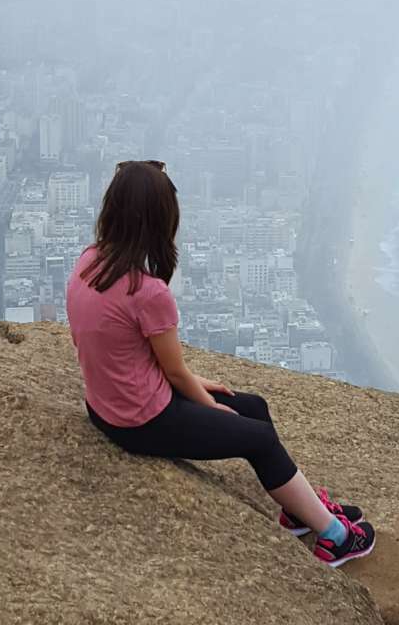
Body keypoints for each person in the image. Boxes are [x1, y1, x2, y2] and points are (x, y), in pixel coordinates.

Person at [66, 159, 376, 567]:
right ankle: (334, 538)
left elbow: (131, 353)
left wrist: (197, 385)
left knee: (253, 407)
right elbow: (173, 371)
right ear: (161, 220)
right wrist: (206, 404)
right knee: (258, 438)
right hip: (141, 423)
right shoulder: (148, 291)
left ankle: (298, 508)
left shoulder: (89, 260)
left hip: (105, 406)